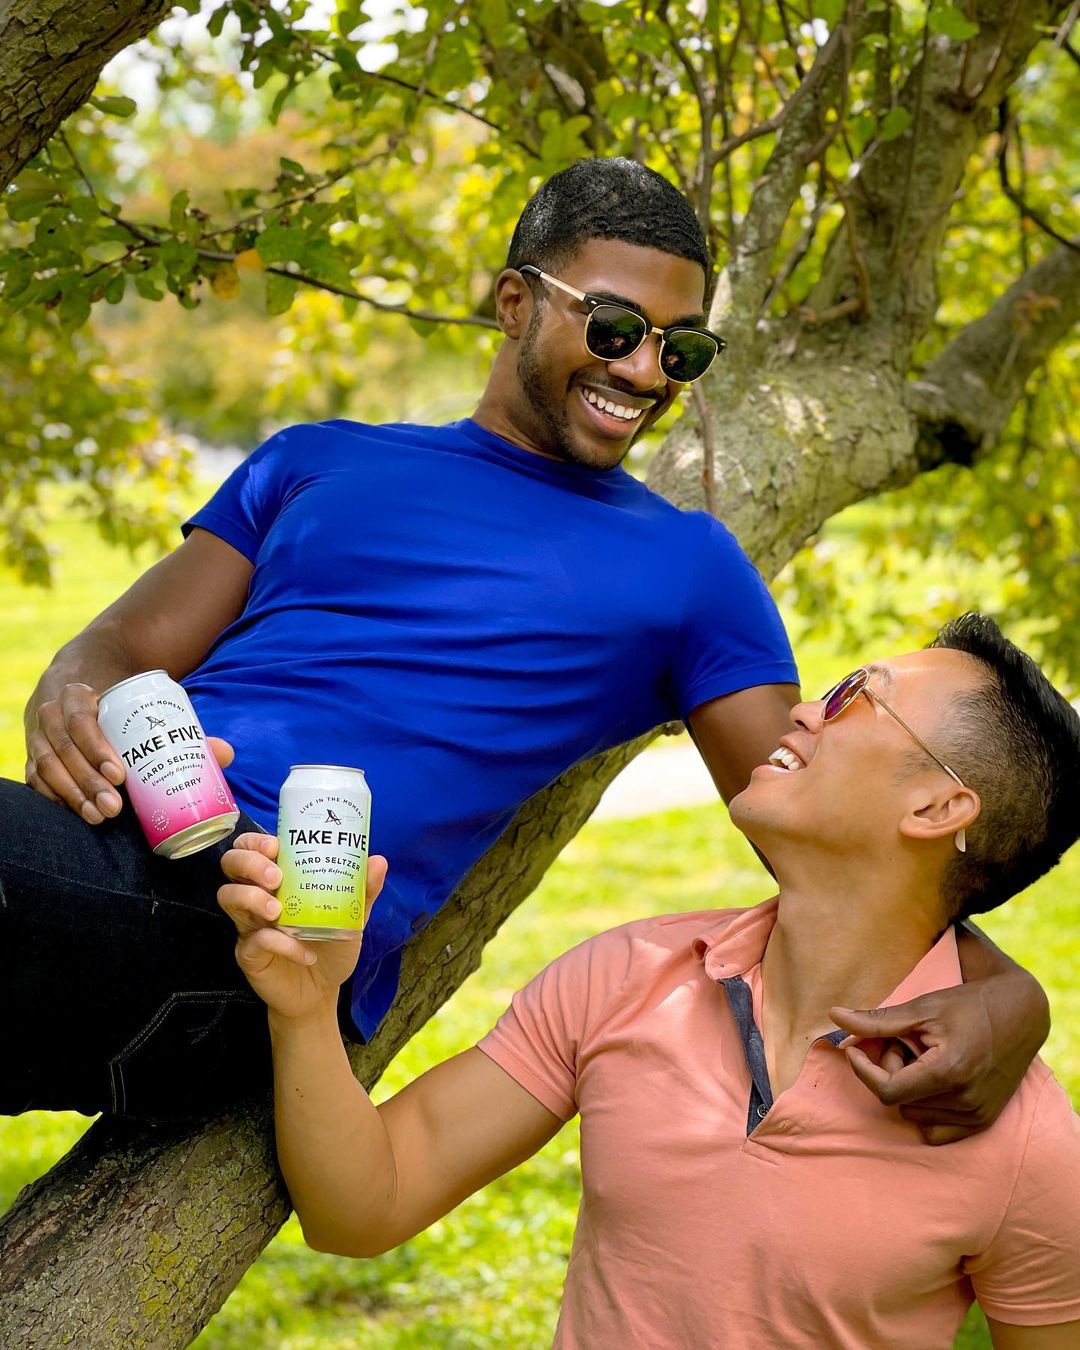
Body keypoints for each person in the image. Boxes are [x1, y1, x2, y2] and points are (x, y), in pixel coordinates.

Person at [1, 159, 1044, 1122]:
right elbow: (124, 642)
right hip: (105, 847)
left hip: (256, 941)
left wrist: (1007, 994)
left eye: (680, 347)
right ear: (515, 302)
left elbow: (833, 829)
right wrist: (70, 689)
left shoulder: (687, 568)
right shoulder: (314, 459)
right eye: (615, 326)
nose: (645, 371)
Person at [219, 613, 1080, 1348]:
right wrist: (305, 1008)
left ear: (936, 808)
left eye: (859, 693)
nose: (810, 708)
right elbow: (365, 1207)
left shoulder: (1022, 1143)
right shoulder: (626, 978)